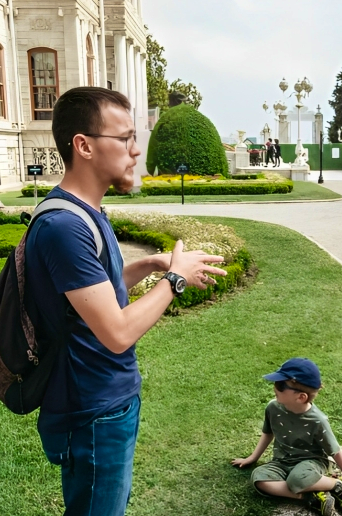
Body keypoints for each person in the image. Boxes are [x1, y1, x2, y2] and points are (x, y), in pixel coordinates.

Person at [27, 86, 227, 516]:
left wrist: (150, 265)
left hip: (108, 399)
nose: (136, 150)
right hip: (92, 410)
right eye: (124, 138)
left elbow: (94, 293)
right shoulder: (65, 226)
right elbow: (116, 333)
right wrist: (175, 279)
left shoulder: (86, 211)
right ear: (84, 146)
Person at [232, 358, 342, 516]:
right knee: (259, 478)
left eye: (280, 385)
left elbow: (334, 450)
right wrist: (252, 458)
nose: (275, 386)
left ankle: (338, 485)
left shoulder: (318, 420)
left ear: (301, 397)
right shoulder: (273, 408)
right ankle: (310, 496)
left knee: (297, 479)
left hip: (311, 463)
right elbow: (268, 433)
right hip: (282, 462)